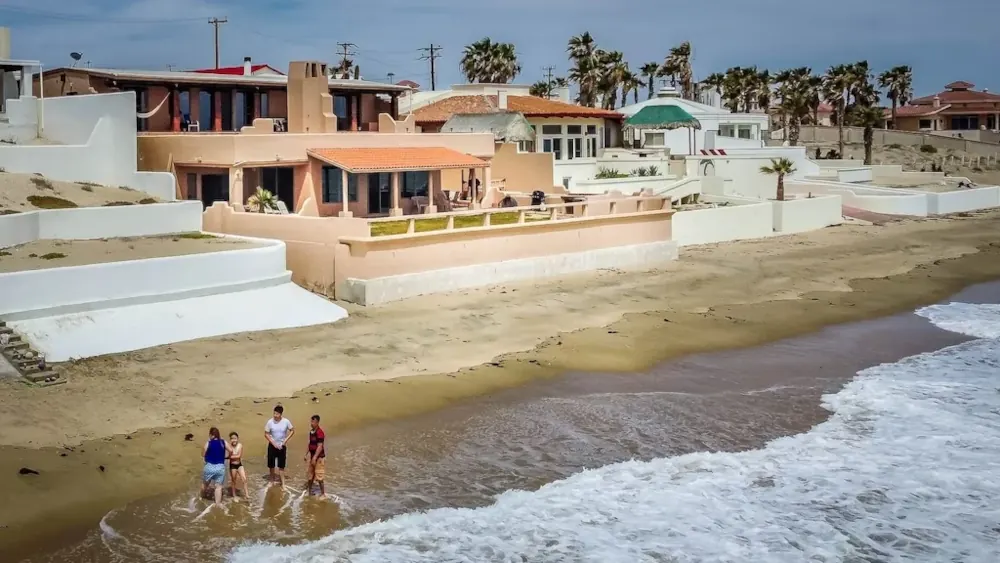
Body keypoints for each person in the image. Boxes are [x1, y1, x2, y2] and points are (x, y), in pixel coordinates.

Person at [264, 405, 294, 487]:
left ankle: (283, 482)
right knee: (271, 465)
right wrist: (273, 443)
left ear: (281, 414)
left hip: (282, 446)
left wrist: (285, 441)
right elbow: (266, 434)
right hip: (272, 446)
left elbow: (292, 430)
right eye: (274, 413)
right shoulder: (270, 422)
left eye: (277, 414)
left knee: (281, 466)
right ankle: (271, 480)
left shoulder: (286, 421)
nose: (275, 415)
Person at [202, 427, 231, 505]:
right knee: (218, 487)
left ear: (211, 435)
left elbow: (203, 454)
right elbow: (231, 450)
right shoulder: (223, 442)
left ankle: (201, 497)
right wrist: (227, 457)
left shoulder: (209, 442)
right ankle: (218, 504)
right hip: (220, 467)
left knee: (205, 484)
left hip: (209, 467)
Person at [304, 414, 327, 497]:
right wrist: (306, 454)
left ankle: (323, 494)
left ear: (317, 422)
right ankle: (309, 491)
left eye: (313, 422)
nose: (311, 423)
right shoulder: (311, 432)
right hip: (312, 456)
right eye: (311, 421)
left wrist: (315, 457)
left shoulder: (320, 433)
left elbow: (320, 446)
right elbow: (309, 443)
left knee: (319, 476)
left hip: (319, 457)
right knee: (310, 475)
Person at [228, 432, 249, 501]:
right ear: (230, 440)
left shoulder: (240, 445)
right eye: (232, 439)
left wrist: (230, 457)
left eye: (235, 438)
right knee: (233, 480)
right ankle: (234, 495)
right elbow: (228, 456)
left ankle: (247, 495)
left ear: (237, 439)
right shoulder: (229, 446)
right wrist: (230, 457)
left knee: (244, 479)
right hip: (232, 466)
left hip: (239, 465)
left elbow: (239, 456)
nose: (233, 440)